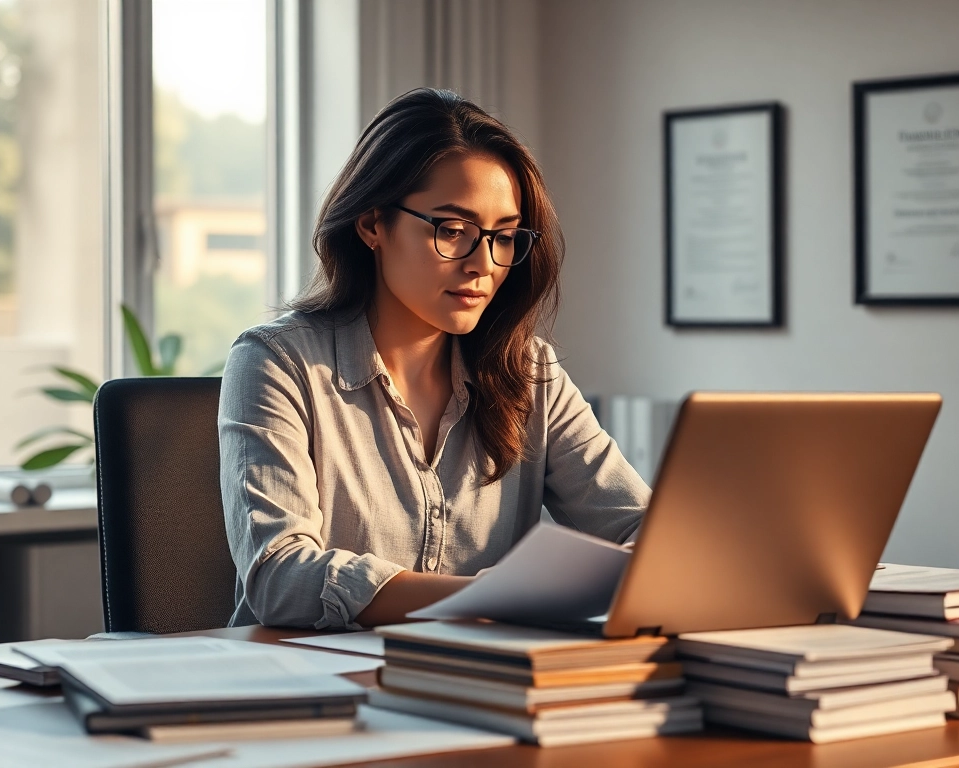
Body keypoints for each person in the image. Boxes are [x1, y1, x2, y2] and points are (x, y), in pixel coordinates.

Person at [219, 88, 648, 630]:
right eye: (453, 231)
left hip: (478, 687)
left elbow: (640, 527)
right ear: (373, 223)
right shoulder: (277, 363)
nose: (483, 264)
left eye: (504, 237)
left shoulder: (531, 374)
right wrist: (487, 597)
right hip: (308, 690)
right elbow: (281, 577)